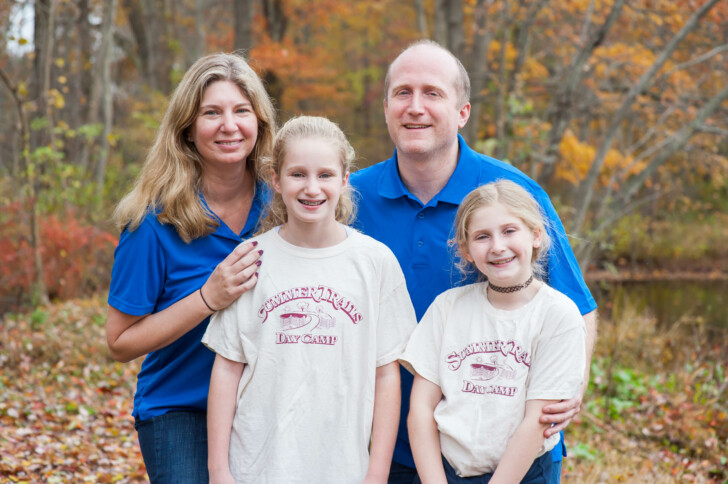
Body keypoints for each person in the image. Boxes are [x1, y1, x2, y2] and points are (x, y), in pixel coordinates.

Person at [349, 40, 598, 484]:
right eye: (403, 93)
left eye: (433, 93)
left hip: (512, 455)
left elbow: (577, 307)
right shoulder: (349, 199)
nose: (415, 107)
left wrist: (567, 392)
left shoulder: (512, 195)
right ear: (386, 108)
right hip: (386, 447)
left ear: (463, 112)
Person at [202, 116, 417, 483]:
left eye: (326, 175)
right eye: (298, 174)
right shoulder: (251, 258)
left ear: (345, 180)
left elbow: (386, 375)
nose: (312, 188)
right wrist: (218, 469)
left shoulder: (375, 263)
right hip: (257, 466)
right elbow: (227, 368)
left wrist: (377, 474)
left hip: (344, 468)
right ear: (276, 179)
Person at [106, 52, 277, 483]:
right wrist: (207, 298)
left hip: (267, 405)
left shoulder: (283, 209)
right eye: (211, 113)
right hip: (181, 409)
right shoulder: (151, 222)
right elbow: (121, 342)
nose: (229, 125)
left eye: (242, 111)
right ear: (186, 129)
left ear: (259, 123)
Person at [402, 180, 586, 483]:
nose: (498, 246)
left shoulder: (558, 315)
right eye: (482, 236)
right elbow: (421, 408)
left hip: (524, 472)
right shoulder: (447, 308)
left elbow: (536, 422)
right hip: (447, 472)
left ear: (536, 235)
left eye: (510, 231)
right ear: (467, 250)